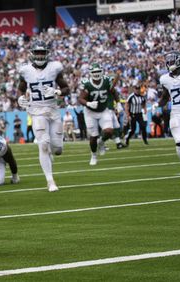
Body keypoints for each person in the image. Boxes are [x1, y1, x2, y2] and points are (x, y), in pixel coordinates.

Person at [17, 40, 70, 192]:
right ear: (32, 54)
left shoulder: (54, 68)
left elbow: (66, 88)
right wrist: (20, 98)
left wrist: (57, 92)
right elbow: (20, 89)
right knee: (44, 144)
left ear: (47, 53)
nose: (40, 56)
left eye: (42, 52)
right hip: (36, 111)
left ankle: (52, 153)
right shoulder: (25, 71)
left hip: (53, 111)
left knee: (57, 148)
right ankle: (50, 181)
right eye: (37, 52)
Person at [158, 51, 180, 179]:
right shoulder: (164, 79)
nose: (169, 63)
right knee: (179, 141)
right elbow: (165, 96)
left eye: (172, 61)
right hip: (176, 113)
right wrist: (158, 105)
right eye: (169, 61)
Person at [78, 63, 120, 165]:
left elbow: (113, 91)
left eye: (98, 72)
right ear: (91, 73)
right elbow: (80, 98)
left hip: (103, 110)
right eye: (94, 72)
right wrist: (88, 103)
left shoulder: (106, 80)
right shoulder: (87, 83)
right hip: (90, 112)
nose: (96, 74)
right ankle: (93, 155)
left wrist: (118, 103)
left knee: (109, 131)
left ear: (101, 72)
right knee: (93, 136)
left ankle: (101, 142)